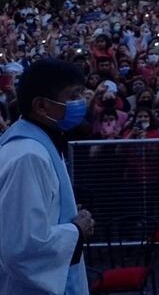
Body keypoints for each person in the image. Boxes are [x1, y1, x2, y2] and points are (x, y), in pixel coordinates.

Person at [0, 58, 94, 295]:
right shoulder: (27, 156)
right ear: (41, 106)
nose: (81, 102)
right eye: (73, 96)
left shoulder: (42, 140)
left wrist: (61, 210)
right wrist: (77, 230)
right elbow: (22, 247)